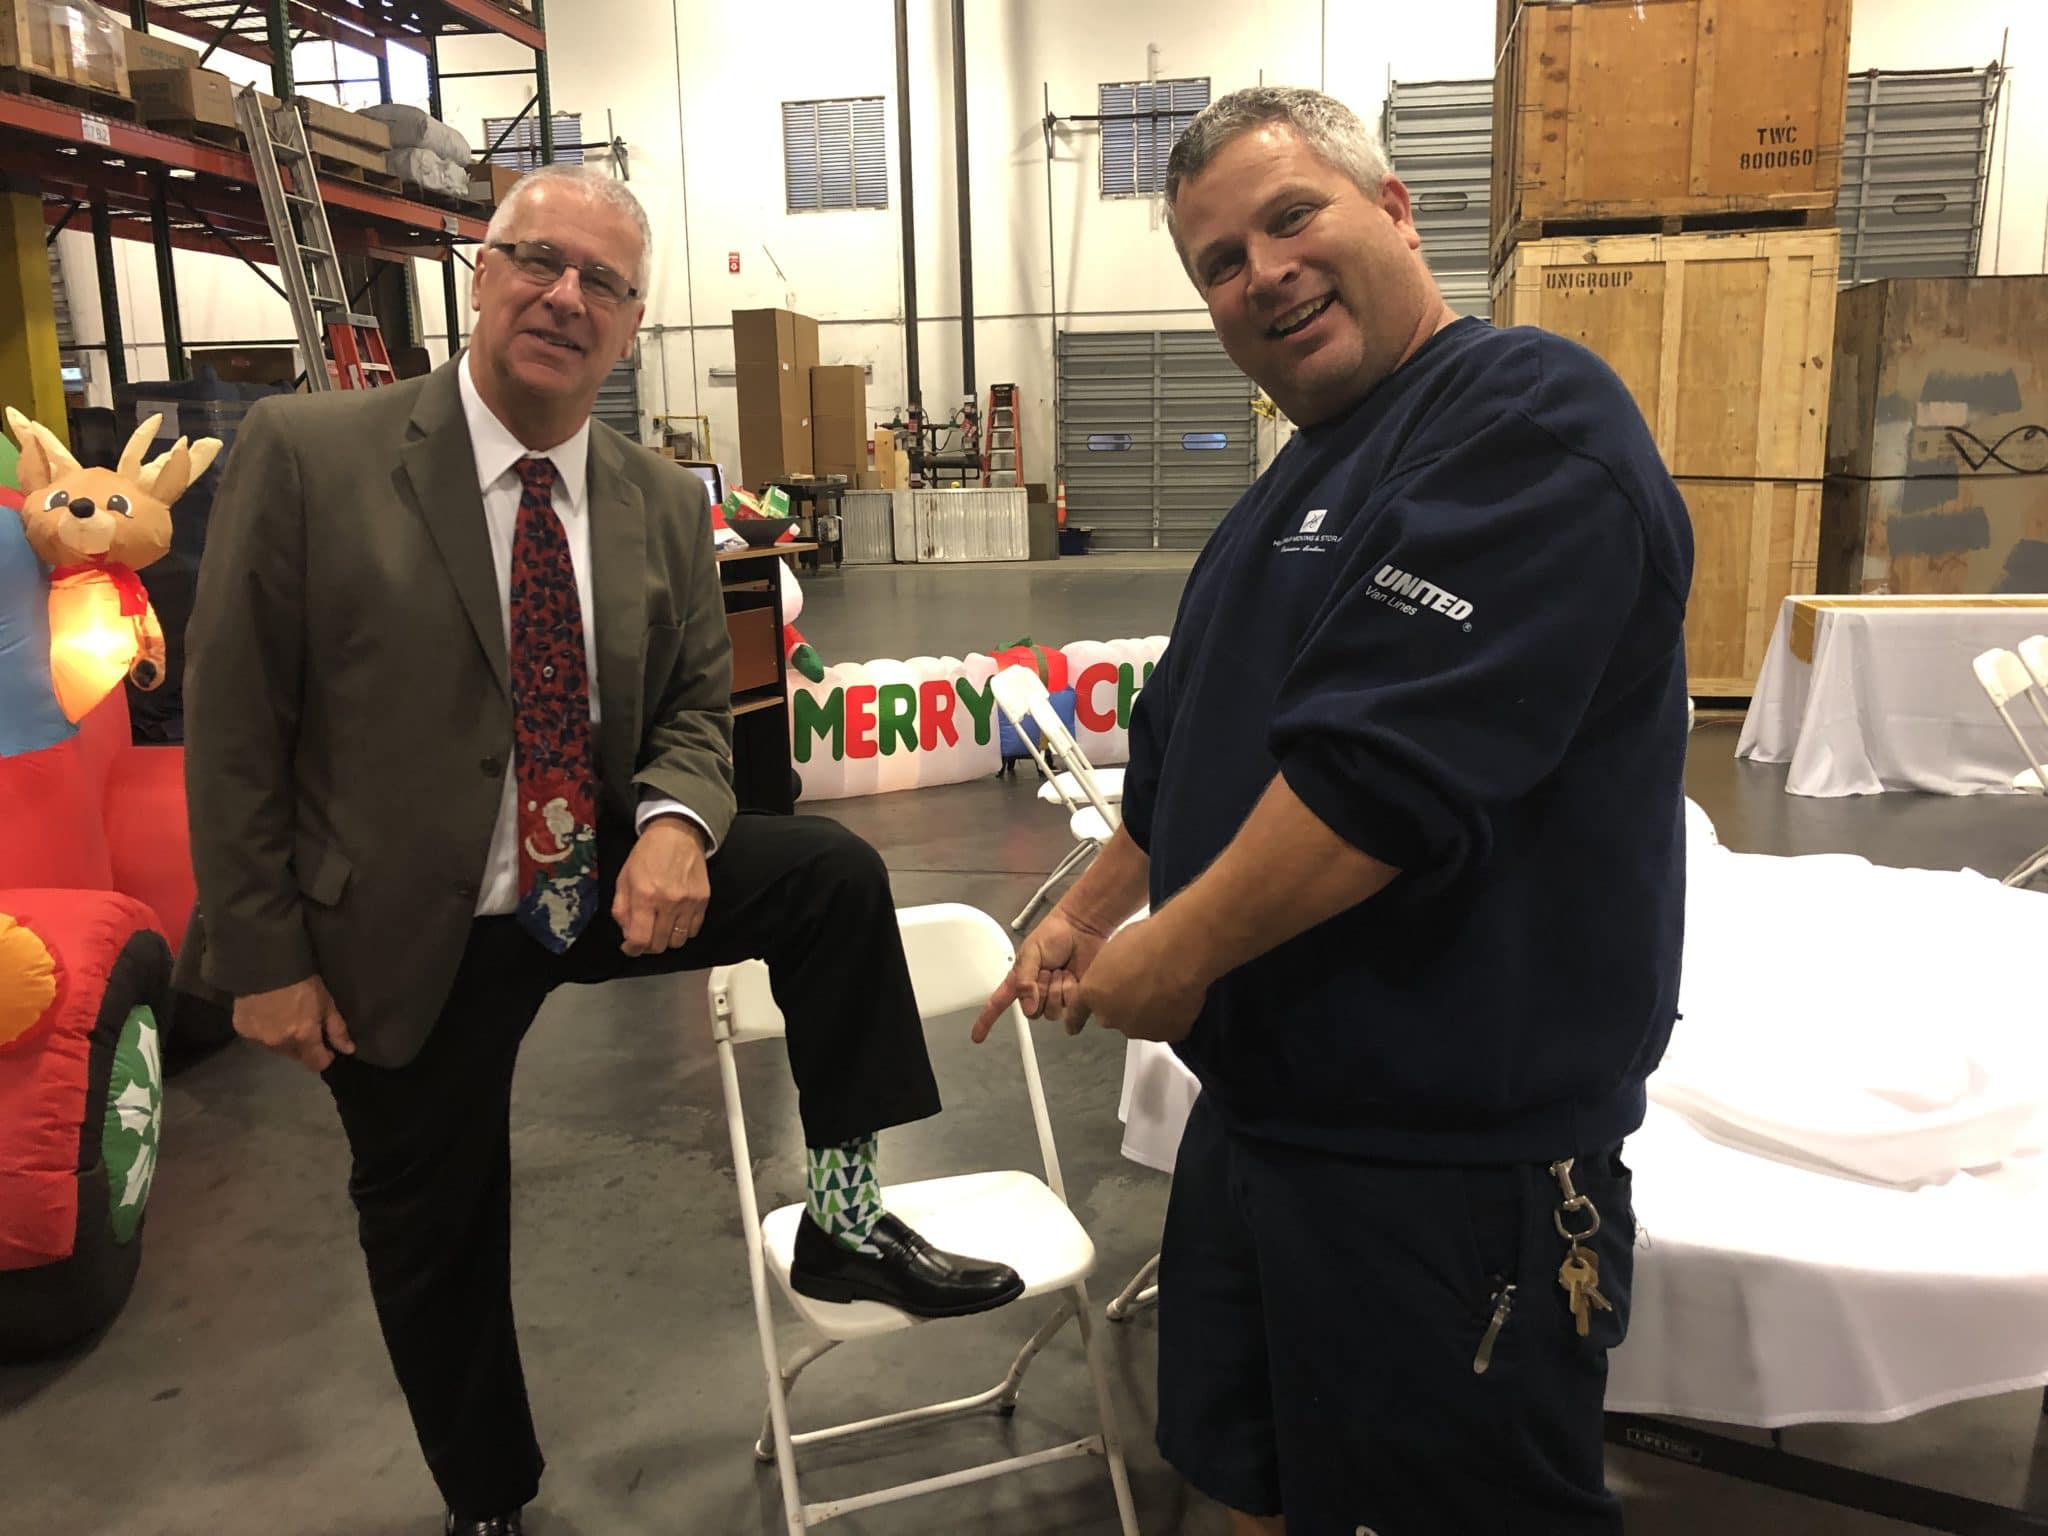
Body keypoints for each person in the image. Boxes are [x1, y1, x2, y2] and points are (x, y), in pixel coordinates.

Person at [181, 164, 1021, 1536]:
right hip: (408, 925)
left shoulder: (651, 497)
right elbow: (231, 726)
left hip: (591, 880)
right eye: (537, 260)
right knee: (434, 1229)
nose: (565, 296)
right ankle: (490, 1501)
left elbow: (696, 705)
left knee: (828, 879)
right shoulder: (309, 454)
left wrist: (682, 826)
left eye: (605, 282)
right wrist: (262, 958)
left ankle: (848, 1217)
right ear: (481, 271)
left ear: (634, 323)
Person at [975, 87, 1692, 1535]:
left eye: (1291, 217)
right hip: (1264, 1130)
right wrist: (1093, 905)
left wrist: (1173, 960)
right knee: (1247, 1477)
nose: (1265, 274)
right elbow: (1190, 751)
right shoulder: (1295, 483)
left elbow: (1378, 781)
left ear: (1396, 208)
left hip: (1451, 1170)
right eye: (1220, 264)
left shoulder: (1529, 422)